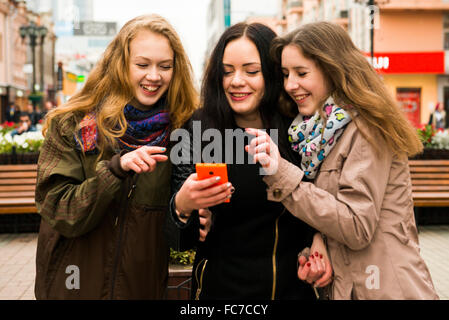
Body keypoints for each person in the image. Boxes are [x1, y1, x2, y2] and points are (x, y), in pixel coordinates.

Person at [247, 21, 439, 299]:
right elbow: (334, 212)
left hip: (386, 288)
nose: (290, 85)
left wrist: (281, 174)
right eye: (286, 74)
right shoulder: (317, 134)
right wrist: (316, 247)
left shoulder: (365, 128)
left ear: (333, 69)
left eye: (302, 73)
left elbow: (356, 226)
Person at [34, 14, 198, 299]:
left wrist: (189, 212)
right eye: (142, 64)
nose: (154, 76)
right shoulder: (74, 123)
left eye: (165, 66)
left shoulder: (182, 132)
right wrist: (115, 170)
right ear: (120, 64)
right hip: (73, 286)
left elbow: (179, 237)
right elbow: (59, 210)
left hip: (140, 289)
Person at [167, 22, 332, 300]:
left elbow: (321, 200)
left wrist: (320, 238)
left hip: (292, 288)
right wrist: (183, 207)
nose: (236, 81)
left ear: (271, 74)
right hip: (220, 290)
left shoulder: (299, 127)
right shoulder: (197, 129)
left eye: (251, 71)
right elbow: (178, 237)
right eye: (227, 71)